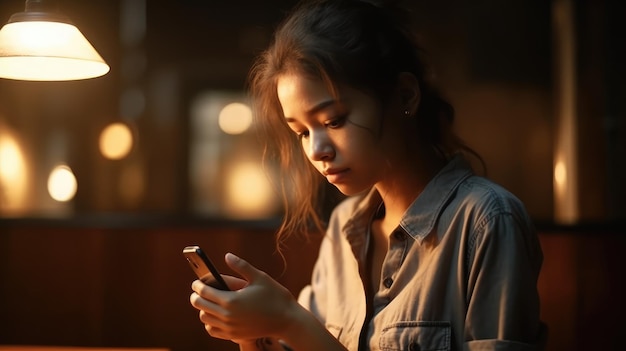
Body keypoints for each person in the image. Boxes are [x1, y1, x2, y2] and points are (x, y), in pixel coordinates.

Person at [189, 0, 546, 350]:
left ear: (405, 95)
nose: (316, 150)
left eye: (333, 121)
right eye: (302, 132)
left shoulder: (486, 221)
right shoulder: (346, 228)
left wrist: (289, 320)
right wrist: (254, 333)